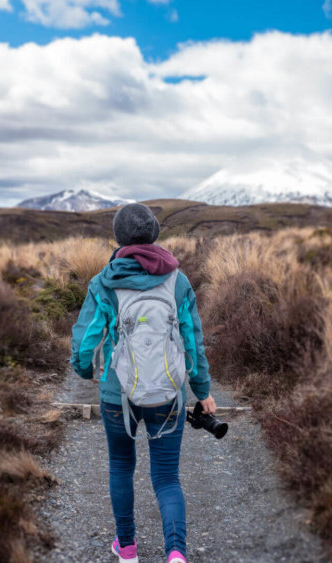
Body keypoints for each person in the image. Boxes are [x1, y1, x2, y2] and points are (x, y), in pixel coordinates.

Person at [70, 203, 216, 563]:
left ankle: (128, 549)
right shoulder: (178, 281)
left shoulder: (103, 282)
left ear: (118, 238)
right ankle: (176, 552)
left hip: (116, 394)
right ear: (154, 234)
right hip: (168, 394)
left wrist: (87, 371)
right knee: (167, 478)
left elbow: (85, 343)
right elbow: (192, 342)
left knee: (122, 466)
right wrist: (202, 391)